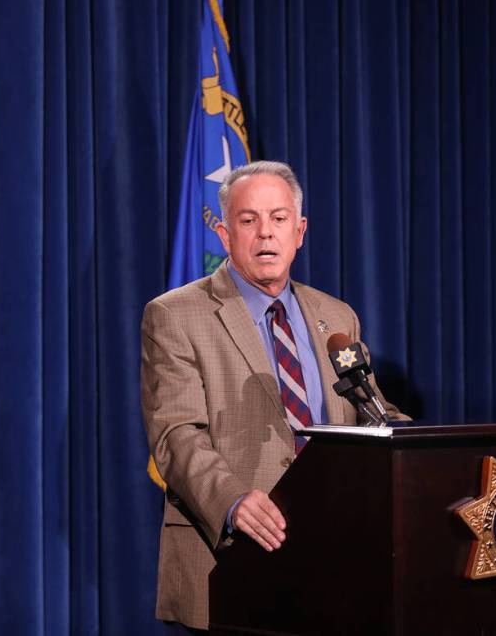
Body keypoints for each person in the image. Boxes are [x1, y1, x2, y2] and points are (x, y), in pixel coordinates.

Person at [141, 161, 408, 630]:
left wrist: (419, 449)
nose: (266, 234)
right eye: (249, 220)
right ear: (224, 234)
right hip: (231, 559)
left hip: (336, 559)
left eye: (279, 219)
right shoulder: (176, 315)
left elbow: (372, 411)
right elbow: (177, 435)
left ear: (299, 230)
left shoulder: (335, 316)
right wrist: (233, 500)